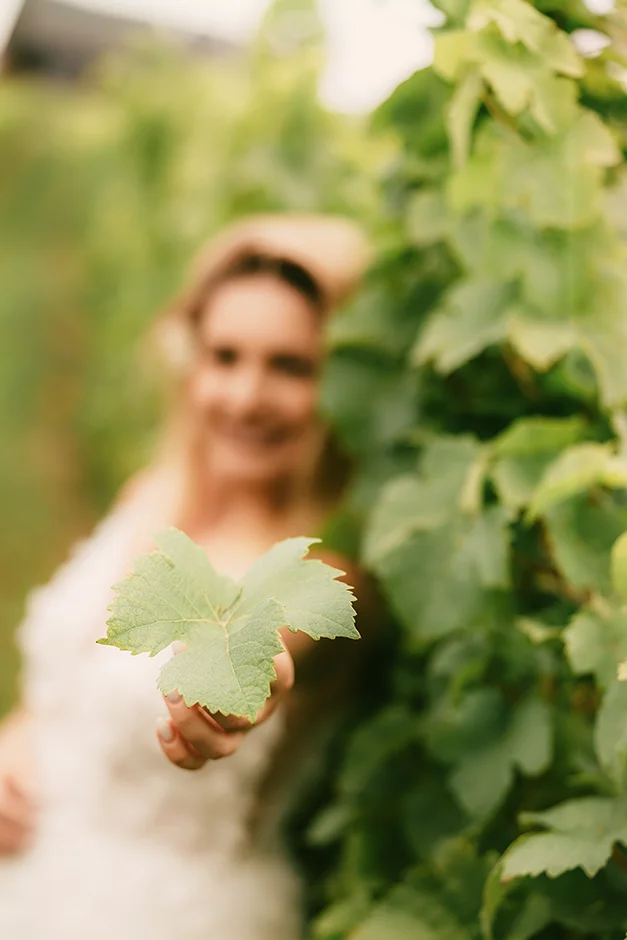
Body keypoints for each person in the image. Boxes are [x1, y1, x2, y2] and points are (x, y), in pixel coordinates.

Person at [0, 214, 373, 939]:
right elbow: (67, 682)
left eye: (291, 366)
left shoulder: (321, 569)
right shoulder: (153, 493)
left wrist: (218, 711)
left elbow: (256, 665)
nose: (244, 396)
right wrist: (18, 734)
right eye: (224, 356)